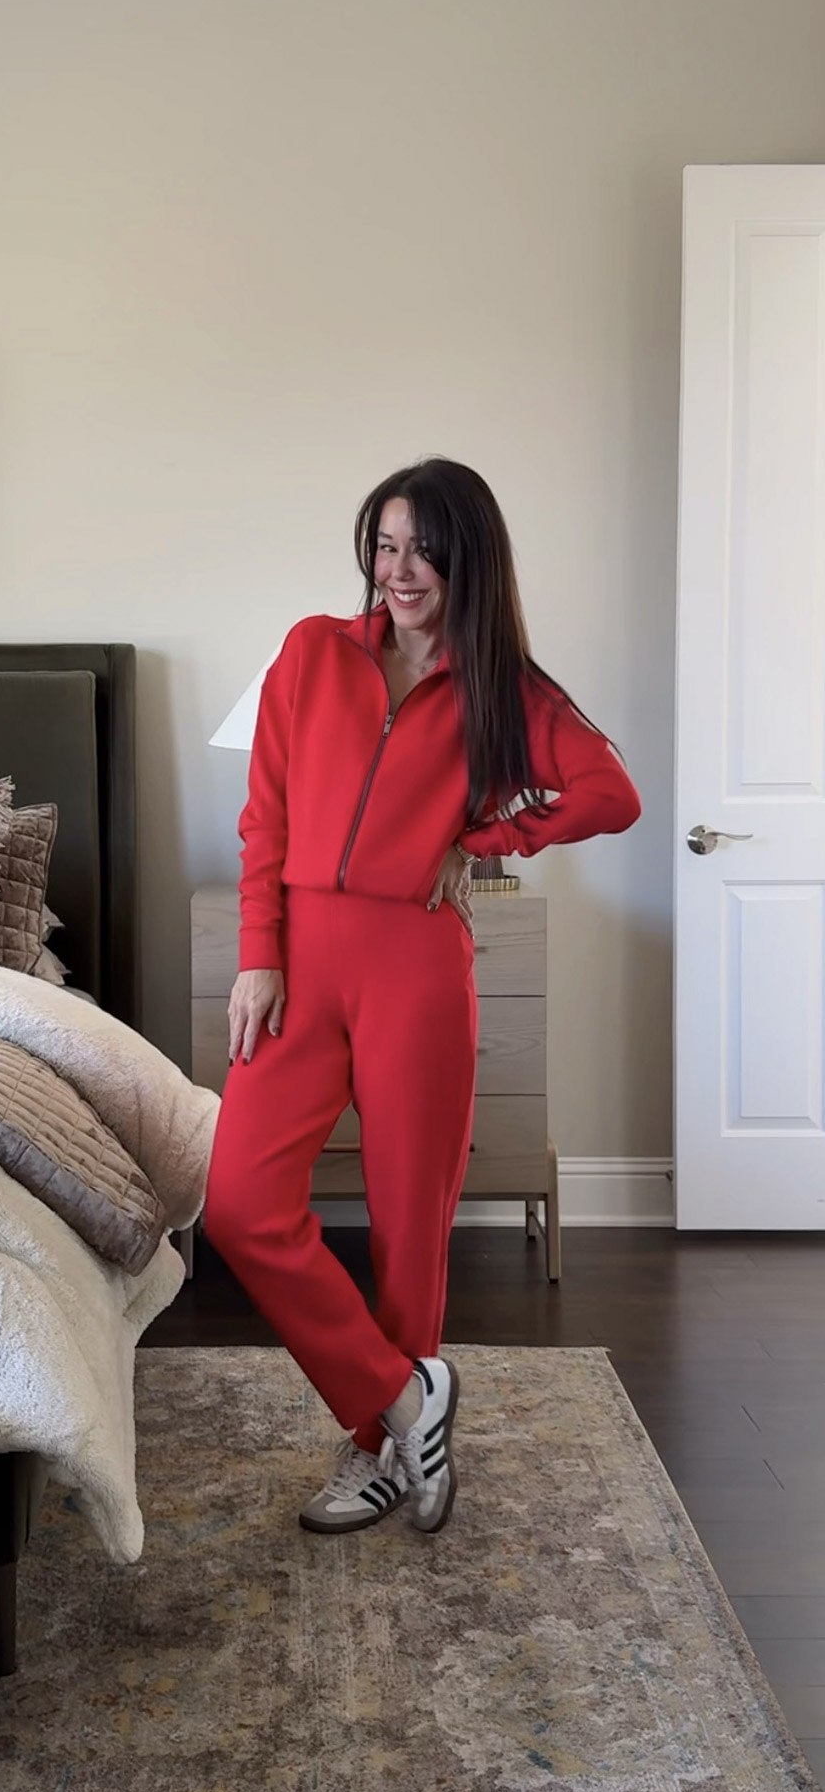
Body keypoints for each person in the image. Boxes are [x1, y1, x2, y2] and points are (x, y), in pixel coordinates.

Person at [203, 457, 642, 1538]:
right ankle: (405, 1399)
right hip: (301, 958)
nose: (399, 571)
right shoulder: (312, 650)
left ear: (466, 561)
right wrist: (258, 952)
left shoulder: (505, 690)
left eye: (424, 552)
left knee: (410, 1228)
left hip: (416, 967)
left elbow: (610, 792)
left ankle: (377, 1455)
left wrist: (483, 840)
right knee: (241, 1204)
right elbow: (264, 817)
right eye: (386, 547)